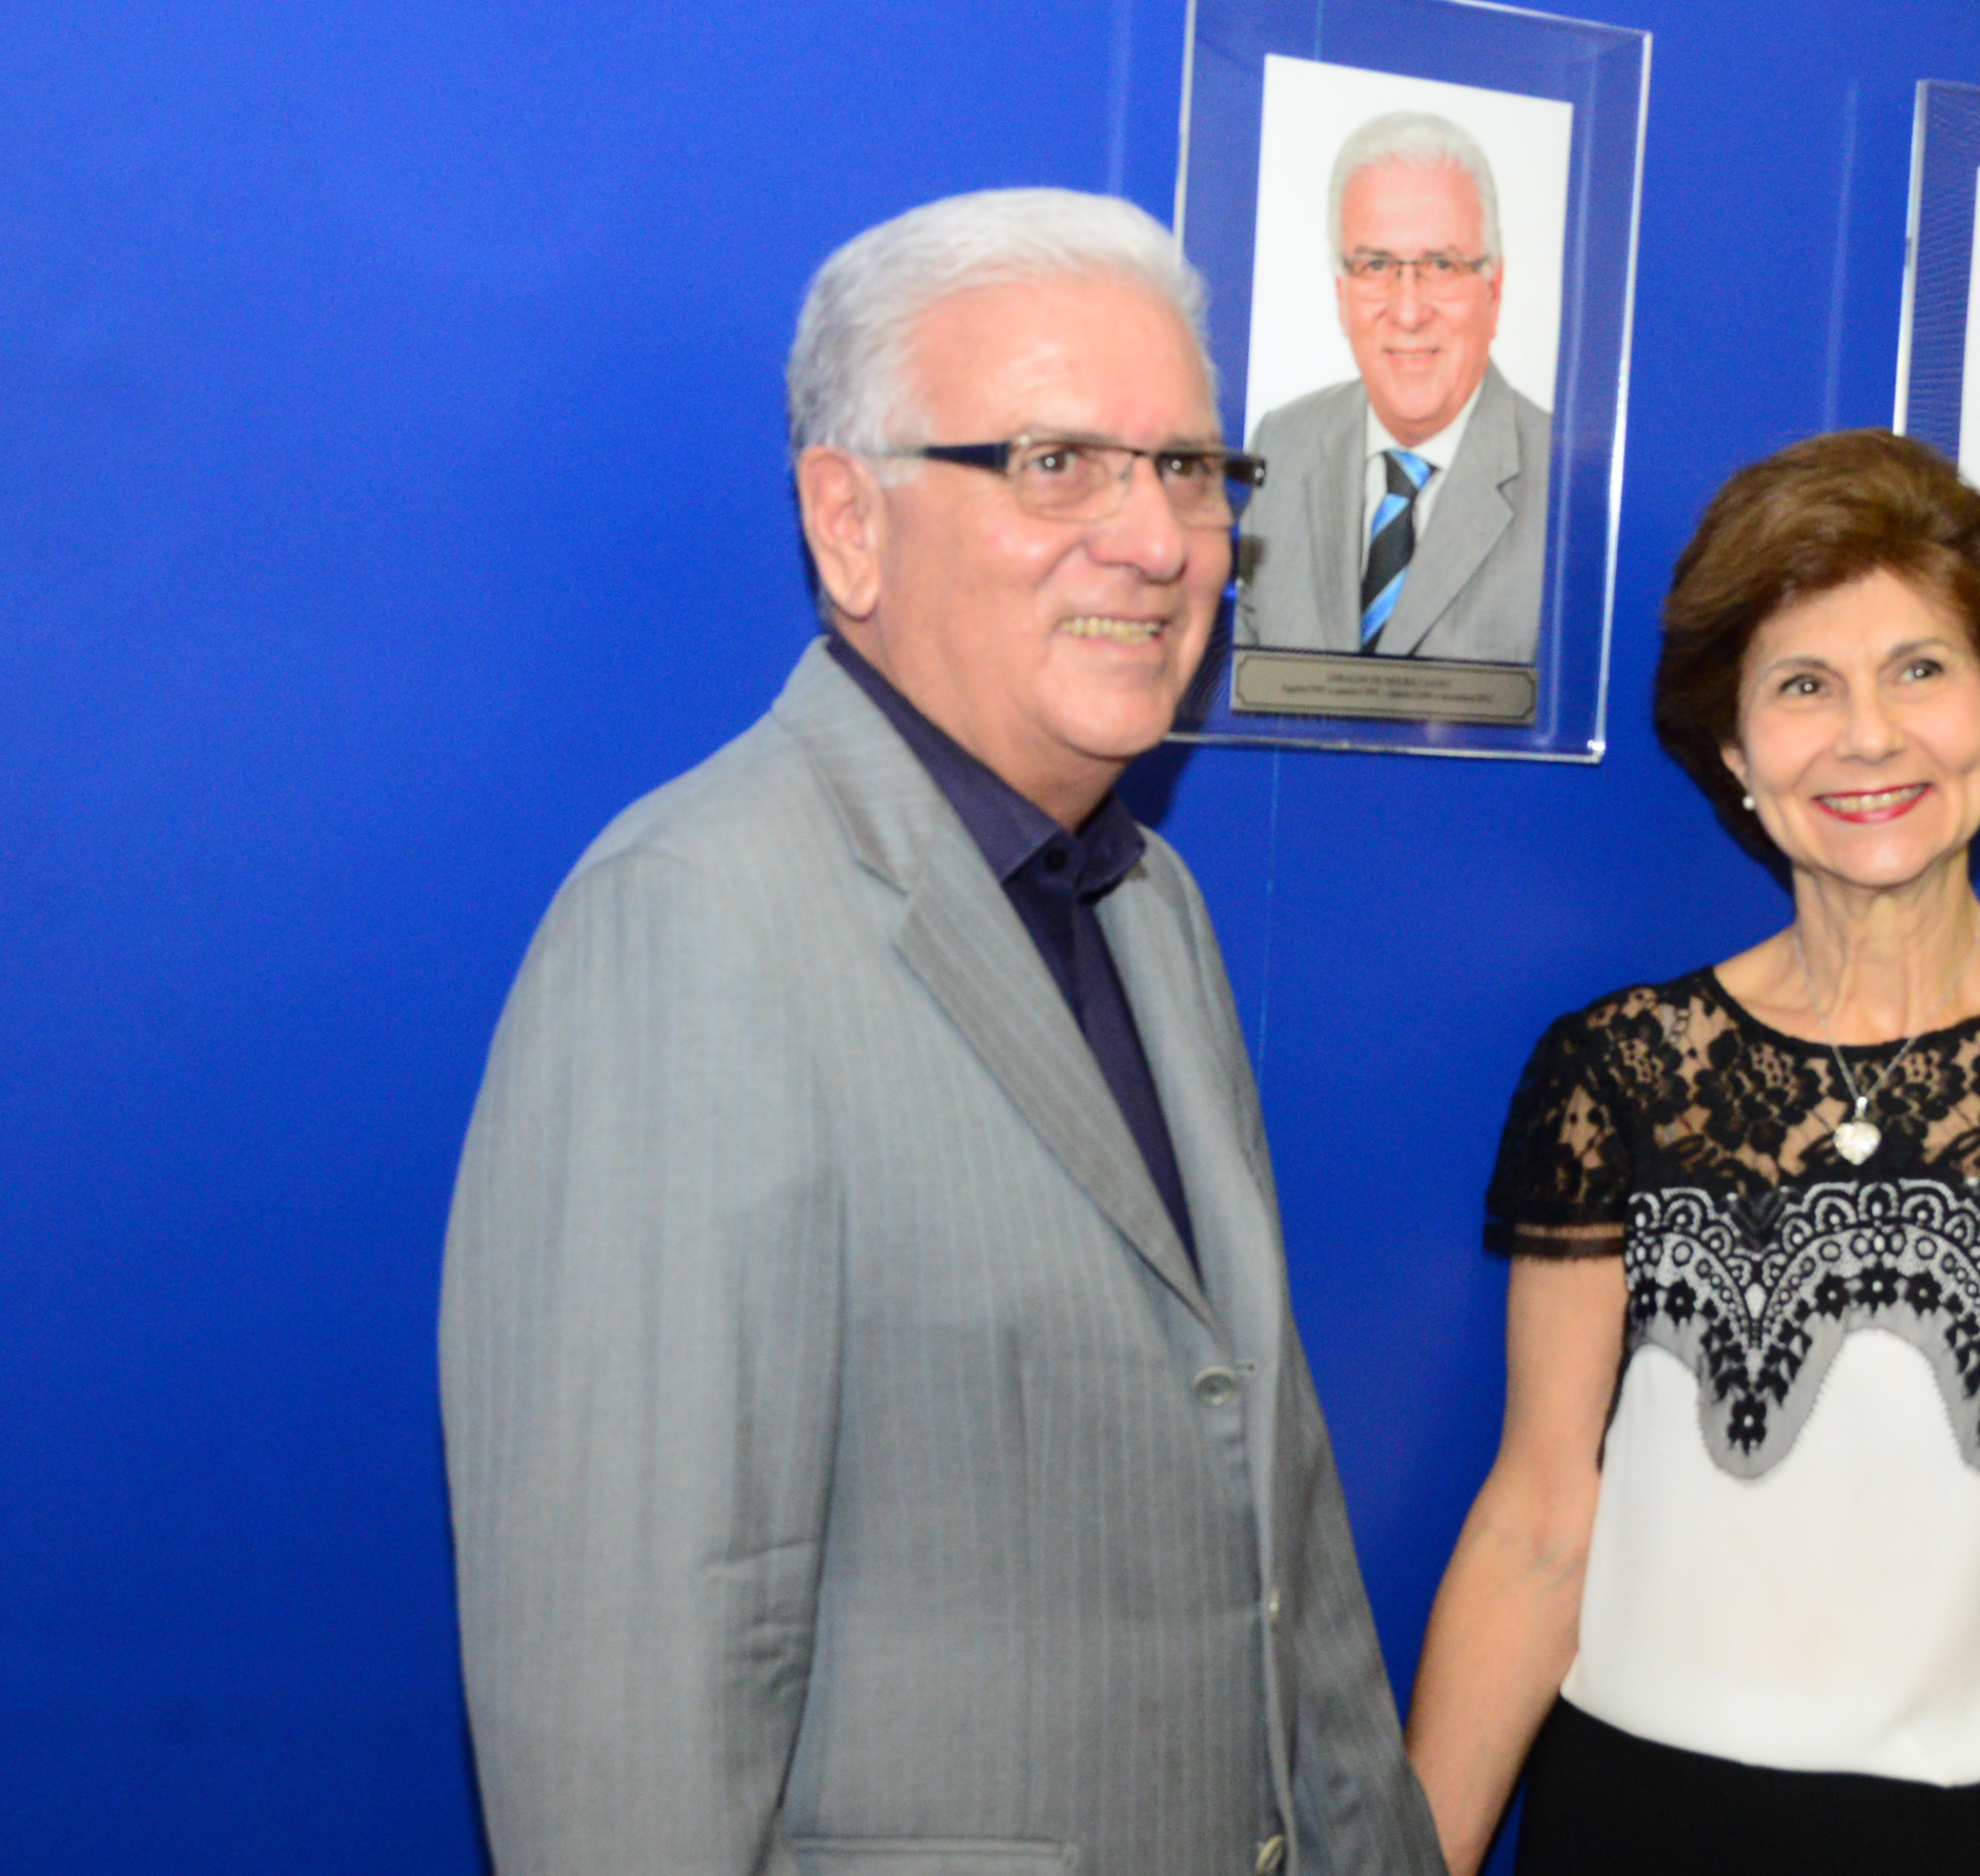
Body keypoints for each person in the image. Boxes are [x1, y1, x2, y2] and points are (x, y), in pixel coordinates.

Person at [439, 188, 1446, 1876]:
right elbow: (625, 1726)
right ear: (847, 522)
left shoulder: (1152, 908)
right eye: (1055, 463)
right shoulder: (690, 926)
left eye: (1187, 466)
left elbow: (1281, 1541)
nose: (1155, 540)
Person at [1405, 431, 1980, 1876]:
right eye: (1803, 685)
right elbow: (1535, 1527)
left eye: (1919, 669)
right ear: (1734, 748)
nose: (1867, 736)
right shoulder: (1616, 1069)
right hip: (1633, 1823)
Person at [1236, 111, 1551, 664]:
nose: (1408, 312)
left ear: (1494, 290)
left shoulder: (1563, 482)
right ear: (1341, 294)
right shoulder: (1279, 446)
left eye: (1442, 265)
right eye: (1376, 264)